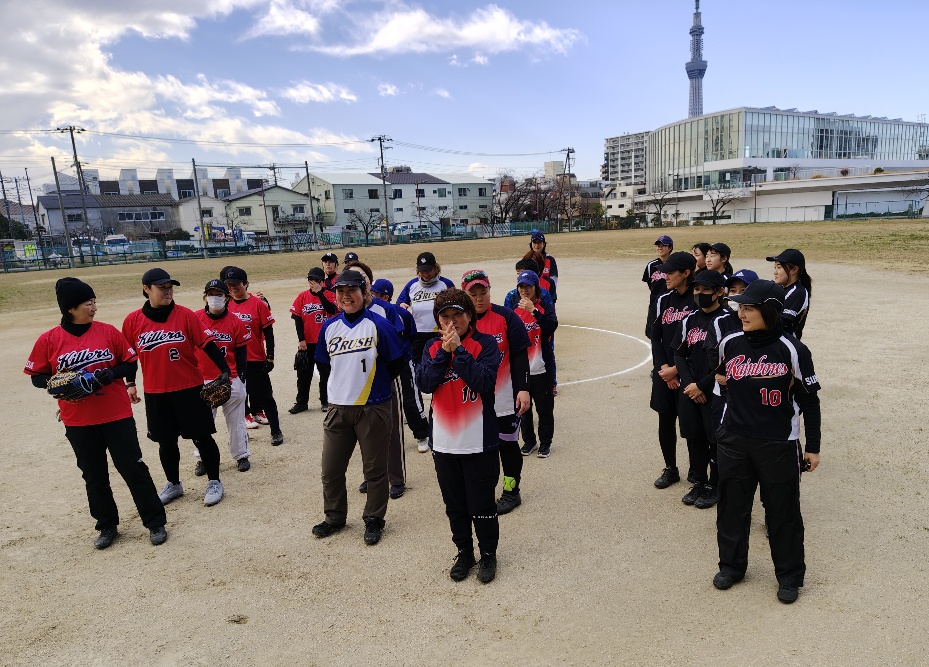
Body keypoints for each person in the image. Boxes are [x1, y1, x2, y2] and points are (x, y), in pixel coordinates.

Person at [25, 278, 167, 549]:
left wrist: (110, 374)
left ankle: (155, 522)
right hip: (78, 421)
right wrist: (59, 382)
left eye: (94, 302)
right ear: (70, 308)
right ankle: (106, 525)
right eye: (88, 303)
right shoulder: (49, 340)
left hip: (116, 415)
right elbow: (37, 377)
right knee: (93, 474)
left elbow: (130, 364)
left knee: (133, 468)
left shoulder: (108, 332)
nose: (94, 308)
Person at [712, 279, 821, 605]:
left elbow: (810, 400)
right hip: (734, 439)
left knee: (782, 512)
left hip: (778, 442)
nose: (741, 314)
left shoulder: (793, 349)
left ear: (770, 312)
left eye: (749, 308)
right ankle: (731, 566)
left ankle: (789, 576)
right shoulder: (730, 342)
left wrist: (813, 447)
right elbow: (721, 377)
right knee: (732, 507)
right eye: (741, 307)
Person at [122, 268, 231, 507]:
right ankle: (174, 483)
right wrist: (130, 383)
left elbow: (207, 344)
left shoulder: (185, 315)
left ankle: (214, 481)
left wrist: (224, 370)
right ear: (146, 289)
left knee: (202, 437)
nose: (168, 291)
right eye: (162, 288)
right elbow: (129, 357)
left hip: (189, 388)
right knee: (166, 442)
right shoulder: (133, 321)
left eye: (170, 287)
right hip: (156, 392)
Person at [311, 270, 406, 546]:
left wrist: (373, 386)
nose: (346, 296)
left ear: (364, 293)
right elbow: (324, 365)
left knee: (375, 470)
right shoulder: (329, 327)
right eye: (340, 292)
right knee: (331, 470)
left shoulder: (379, 325)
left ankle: (374, 518)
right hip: (338, 407)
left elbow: (396, 363)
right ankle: (334, 517)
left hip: (372, 406)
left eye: (352, 291)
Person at [416, 288, 501, 583]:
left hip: (479, 441)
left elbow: (485, 382)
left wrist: (460, 352)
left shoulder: (485, 343)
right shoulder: (431, 347)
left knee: (482, 504)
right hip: (444, 442)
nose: (452, 322)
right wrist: (444, 352)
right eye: (445, 317)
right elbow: (425, 383)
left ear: (469, 316)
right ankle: (465, 552)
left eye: (458, 315)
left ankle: (488, 554)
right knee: (455, 506)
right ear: (438, 320)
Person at [345, 260, 417, 498]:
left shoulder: (385, 309)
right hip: (357, 382)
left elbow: (399, 343)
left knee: (391, 430)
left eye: (362, 279)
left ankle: (396, 478)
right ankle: (372, 475)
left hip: (386, 377)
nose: (357, 284)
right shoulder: (345, 313)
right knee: (364, 432)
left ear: (369, 283)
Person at [463, 269, 531, 514]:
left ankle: (511, 491)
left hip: (504, 399)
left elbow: (520, 355)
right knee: (478, 451)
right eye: (473, 294)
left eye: (483, 292)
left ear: (490, 290)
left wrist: (523, 388)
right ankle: (481, 491)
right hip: (472, 402)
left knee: (507, 447)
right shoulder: (461, 322)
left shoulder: (506, 317)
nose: (479, 298)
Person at [672, 270, 729, 509]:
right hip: (690, 389)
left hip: (713, 390)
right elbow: (679, 354)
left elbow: (726, 361)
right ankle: (699, 480)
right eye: (697, 289)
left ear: (719, 292)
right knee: (694, 437)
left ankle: (714, 484)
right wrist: (689, 385)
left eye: (706, 290)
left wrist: (702, 386)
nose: (700, 293)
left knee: (714, 439)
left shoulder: (726, 319)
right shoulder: (690, 319)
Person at [194, 279, 252, 474]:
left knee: (236, 422)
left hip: (230, 378)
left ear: (227, 298)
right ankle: (202, 458)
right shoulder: (195, 318)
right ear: (205, 297)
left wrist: (241, 377)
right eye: (211, 294)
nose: (214, 298)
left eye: (218, 295)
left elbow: (242, 351)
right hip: (203, 379)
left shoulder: (235, 321)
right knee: (202, 423)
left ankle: (241, 455)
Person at [648, 251, 696, 489]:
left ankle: (696, 471)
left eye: (670, 272)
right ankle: (671, 468)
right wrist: (664, 368)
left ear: (686, 273)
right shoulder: (663, 299)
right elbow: (655, 337)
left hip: (688, 373)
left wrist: (677, 370)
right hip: (664, 371)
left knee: (691, 424)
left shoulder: (697, 300)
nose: (665, 276)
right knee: (665, 420)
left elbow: (699, 343)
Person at [371, 277, 432, 456]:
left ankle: (422, 434)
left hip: (403, 361)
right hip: (381, 363)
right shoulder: (368, 313)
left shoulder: (400, 313)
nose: (371, 296)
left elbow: (412, 335)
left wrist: (404, 353)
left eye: (375, 294)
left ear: (385, 297)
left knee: (410, 399)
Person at [223, 266, 283, 445]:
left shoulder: (258, 304)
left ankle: (276, 431)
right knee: (237, 399)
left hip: (255, 359)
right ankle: (241, 434)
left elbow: (269, 332)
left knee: (266, 397)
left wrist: (270, 356)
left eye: (236, 284)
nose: (233, 288)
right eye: (229, 285)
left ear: (246, 283)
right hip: (233, 362)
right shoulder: (226, 305)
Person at [512, 270, 558, 458]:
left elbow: (551, 326)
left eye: (528, 287)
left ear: (536, 287)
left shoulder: (545, 307)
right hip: (522, 371)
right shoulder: (514, 311)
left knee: (544, 409)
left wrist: (534, 311)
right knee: (523, 409)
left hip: (542, 368)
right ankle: (529, 441)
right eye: (521, 287)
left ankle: (545, 443)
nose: (524, 290)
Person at [289, 267, 337, 414]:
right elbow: (297, 318)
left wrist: (320, 293)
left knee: (326, 373)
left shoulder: (330, 295)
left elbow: (332, 310)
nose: (313, 283)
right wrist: (301, 340)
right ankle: (301, 403)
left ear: (322, 281)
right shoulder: (302, 296)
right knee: (303, 374)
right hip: (307, 343)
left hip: (324, 343)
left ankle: (326, 401)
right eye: (310, 280)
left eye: (316, 280)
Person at [397, 251, 455, 367]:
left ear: (435, 268)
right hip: (417, 334)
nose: (425, 274)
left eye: (428, 270)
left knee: (442, 363)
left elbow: (456, 305)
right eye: (422, 271)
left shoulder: (445, 284)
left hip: (440, 332)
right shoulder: (412, 285)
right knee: (418, 364)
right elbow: (400, 303)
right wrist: (401, 306)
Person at [767, 249, 812, 339]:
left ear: (794, 270)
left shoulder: (797, 292)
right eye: (775, 268)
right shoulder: (780, 288)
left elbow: (781, 324)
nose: (775, 272)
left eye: (779, 267)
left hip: (783, 344)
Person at [643, 235, 673, 337]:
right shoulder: (651, 266)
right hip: (655, 303)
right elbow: (650, 284)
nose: (660, 248)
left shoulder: (675, 264)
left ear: (670, 248)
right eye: (658, 246)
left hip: (670, 304)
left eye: (663, 245)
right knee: (653, 333)